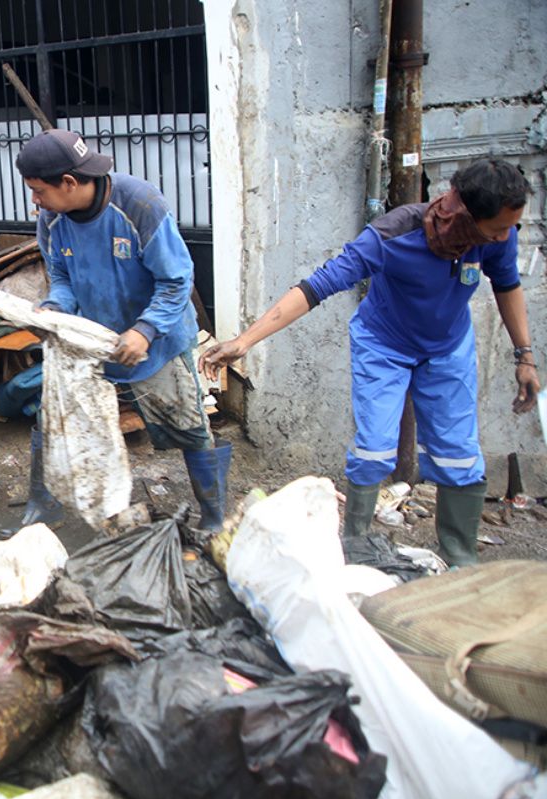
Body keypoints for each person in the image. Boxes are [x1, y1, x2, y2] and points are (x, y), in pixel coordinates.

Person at [201, 159, 536, 566]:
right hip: (384, 347)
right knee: (375, 451)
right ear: (465, 215)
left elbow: (507, 285)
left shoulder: (497, 239)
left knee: (459, 457)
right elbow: (317, 286)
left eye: (508, 229)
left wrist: (525, 356)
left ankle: (460, 558)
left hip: (447, 349)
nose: (505, 236)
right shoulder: (394, 234)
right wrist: (245, 341)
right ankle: (357, 550)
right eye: (498, 228)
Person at [11, 129, 230, 535]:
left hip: (156, 343)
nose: (34, 201)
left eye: (38, 190)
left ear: (71, 183)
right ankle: (44, 507)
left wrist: (144, 331)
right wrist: (55, 307)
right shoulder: (52, 218)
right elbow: (60, 274)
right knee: (53, 419)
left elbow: (176, 281)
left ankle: (215, 516)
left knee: (188, 427)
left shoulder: (140, 203)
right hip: (90, 343)